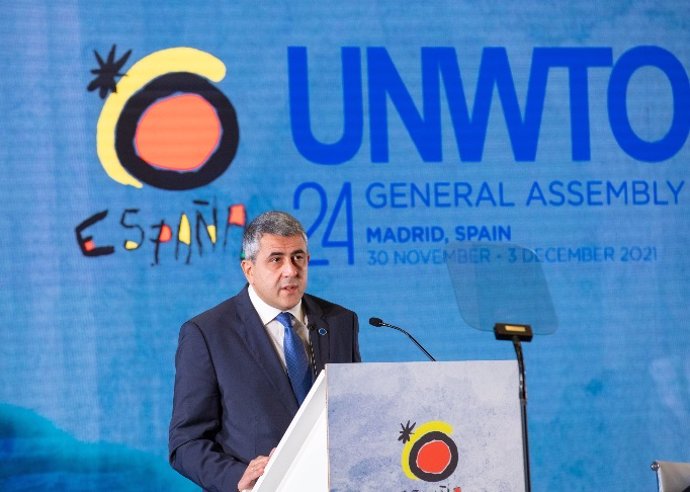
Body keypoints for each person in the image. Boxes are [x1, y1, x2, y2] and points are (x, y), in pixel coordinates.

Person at [168, 210, 361, 491]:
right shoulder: (208, 334)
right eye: (276, 259)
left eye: (298, 257)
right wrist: (236, 476)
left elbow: (353, 411)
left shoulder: (340, 321)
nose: (291, 270)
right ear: (249, 269)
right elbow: (186, 442)